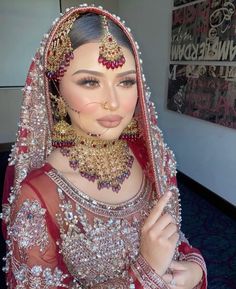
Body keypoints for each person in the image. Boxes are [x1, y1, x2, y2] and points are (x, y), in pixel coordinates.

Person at [1, 5, 207, 289]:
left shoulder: (149, 158)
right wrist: (144, 274)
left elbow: (174, 238)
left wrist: (195, 267)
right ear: (56, 89)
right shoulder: (37, 196)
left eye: (125, 82)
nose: (113, 101)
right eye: (89, 81)